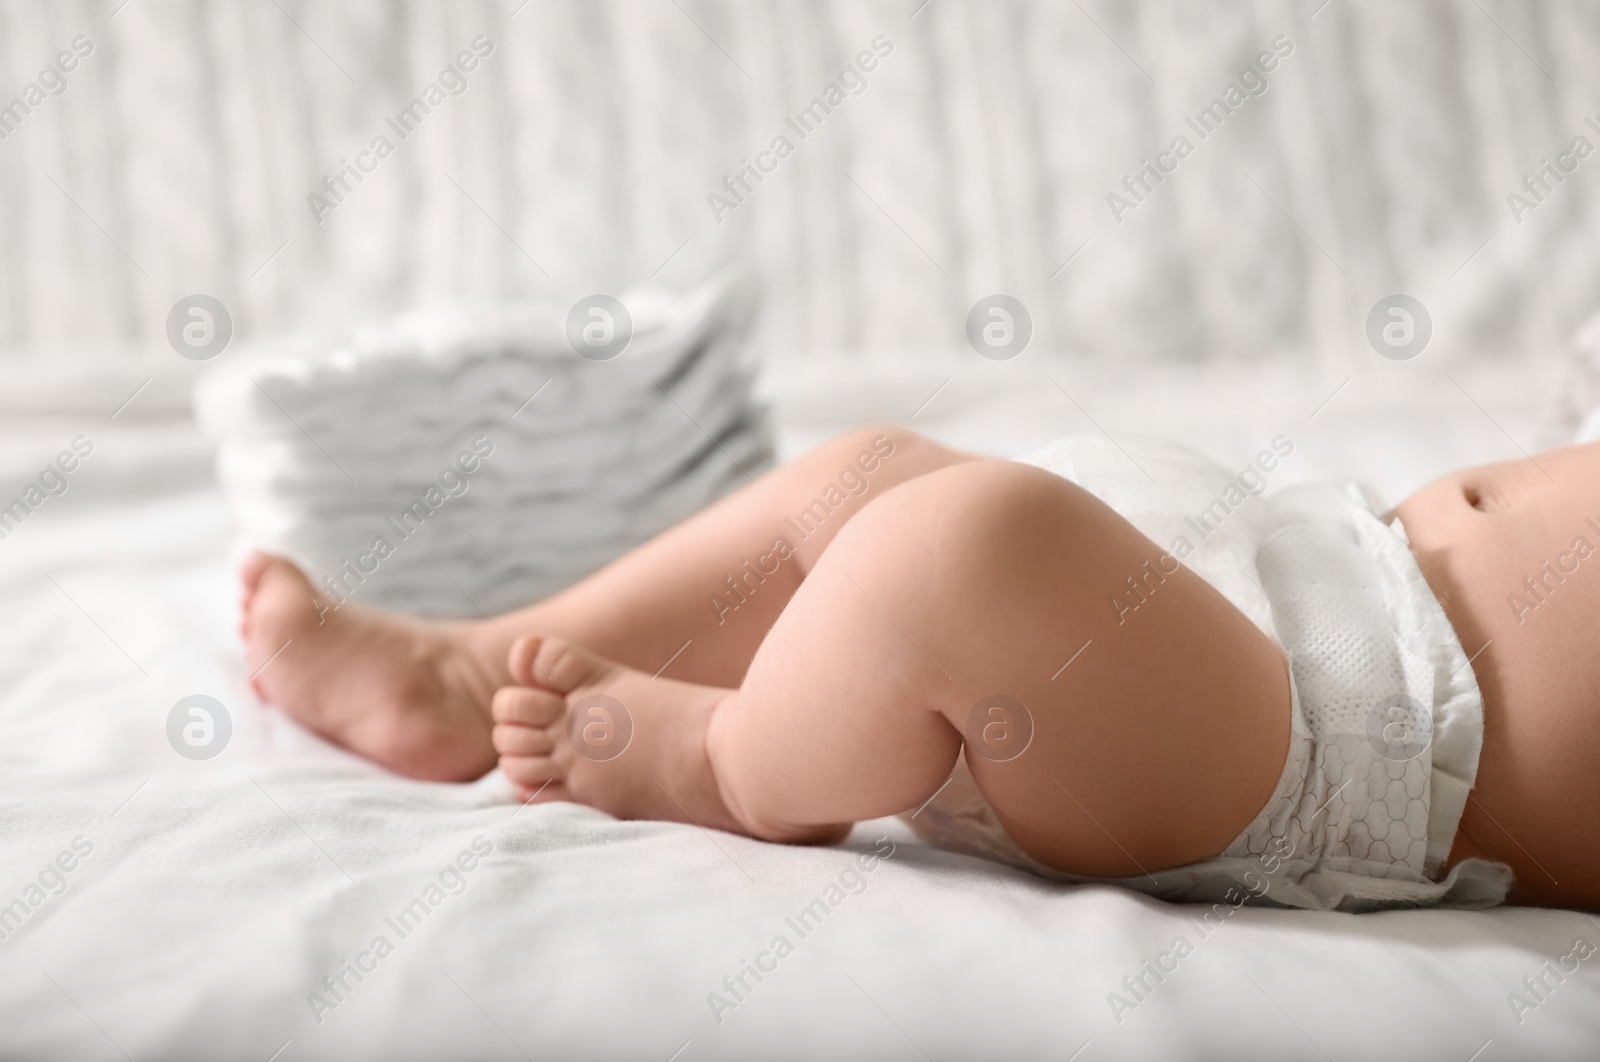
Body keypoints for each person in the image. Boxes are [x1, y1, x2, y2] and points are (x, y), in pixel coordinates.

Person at [238, 424, 1598, 911]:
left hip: (1349, 737)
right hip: (1315, 552)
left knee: (954, 552)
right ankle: (471, 672)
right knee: (870, 476)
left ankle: (725, 760)